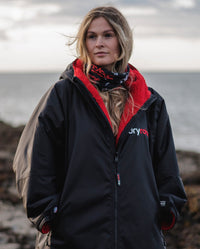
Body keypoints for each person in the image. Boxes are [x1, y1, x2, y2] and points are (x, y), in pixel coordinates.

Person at [13, 6, 187, 249]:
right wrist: (46, 213)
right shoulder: (63, 95)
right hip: (74, 236)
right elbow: (32, 158)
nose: (99, 44)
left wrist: (167, 208)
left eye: (108, 35)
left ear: (122, 39)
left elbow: (166, 165)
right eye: (91, 36)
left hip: (140, 237)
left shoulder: (149, 102)